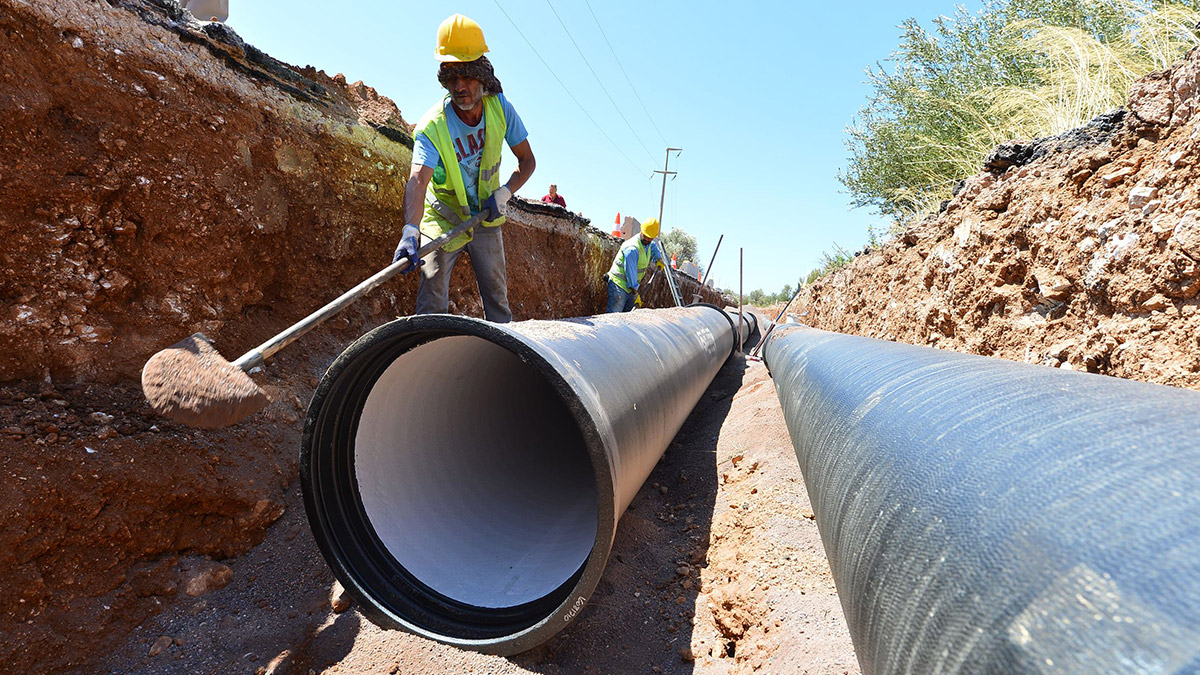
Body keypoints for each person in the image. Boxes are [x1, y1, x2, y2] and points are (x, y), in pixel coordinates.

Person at [392, 14, 536, 323]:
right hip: (443, 219)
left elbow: (528, 162)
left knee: (498, 301)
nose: (459, 86)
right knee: (431, 296)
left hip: (485, 217)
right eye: (451, 78)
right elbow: (418, 180)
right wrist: (410, 230)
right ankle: (428, 356)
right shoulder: (433, 126)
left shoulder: (499, 108)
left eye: (467, 76)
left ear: (482, 75)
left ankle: (503, 357)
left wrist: (505, 193)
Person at [604, 218, 667, 313]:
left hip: (630, 288)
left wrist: (659, 259)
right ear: (641, 231)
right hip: (619, 285)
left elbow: (653, 246)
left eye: (650, 237)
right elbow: (630, 274)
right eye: (645, 236)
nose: (647, 239)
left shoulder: (648, 243)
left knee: (626, 318)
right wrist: (636, 294)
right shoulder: (632, 249)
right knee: (614, 317)